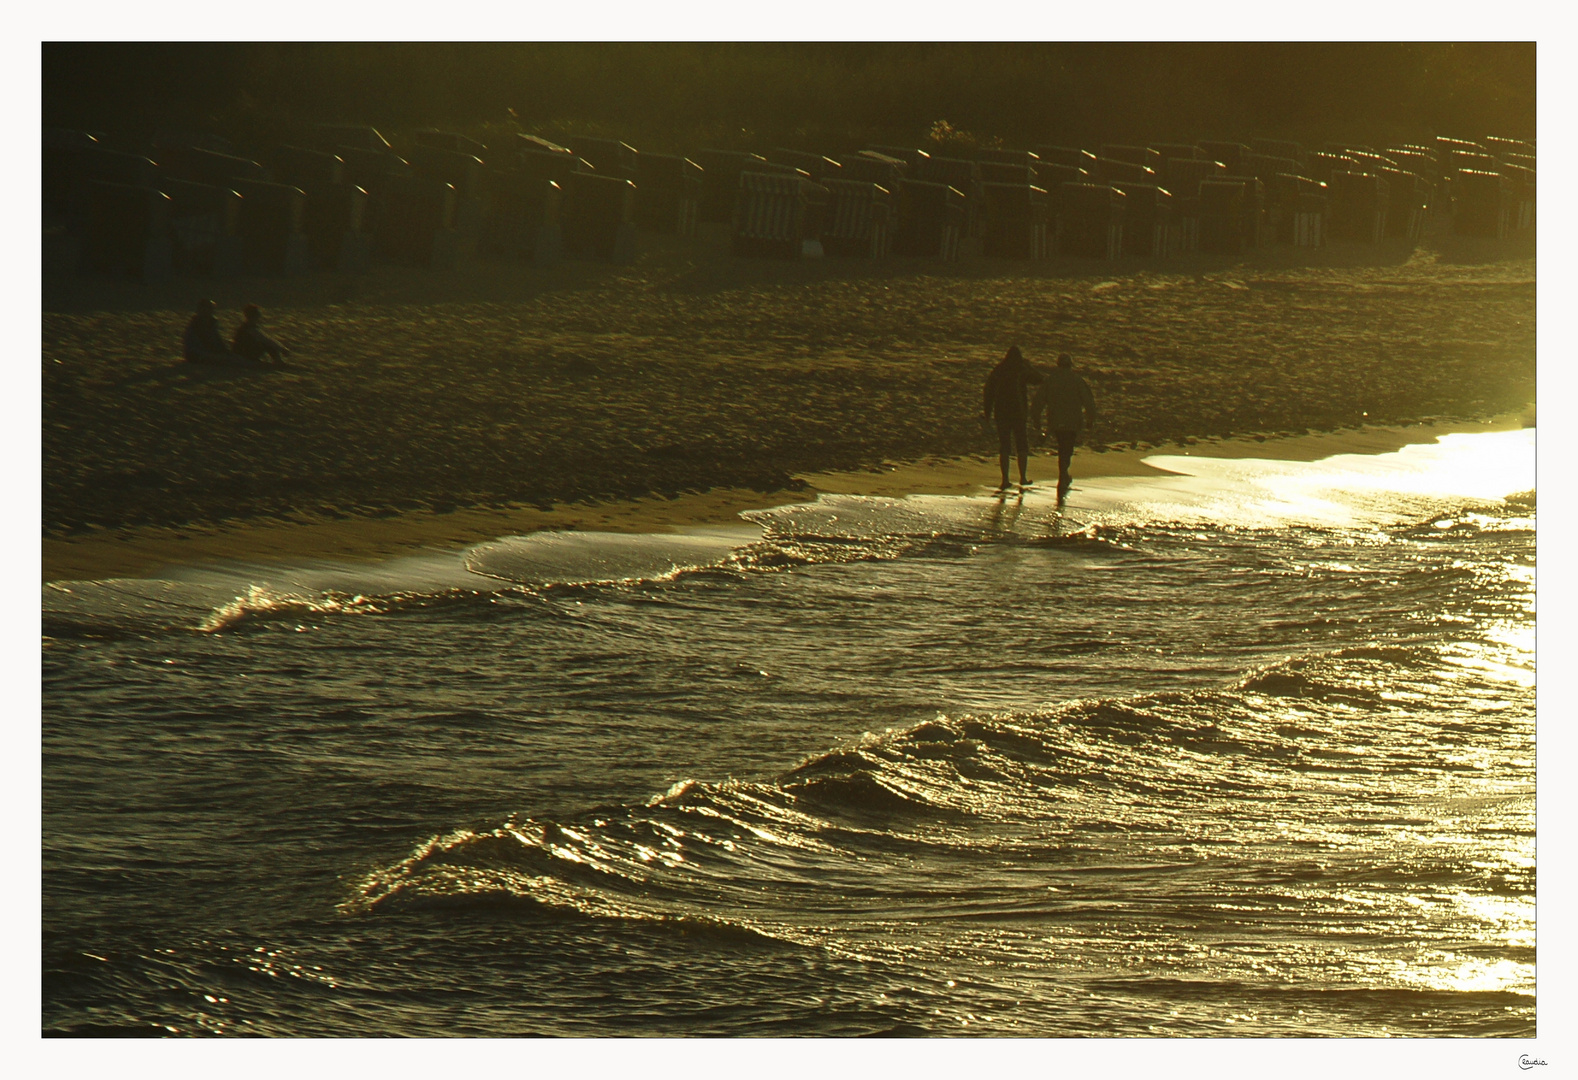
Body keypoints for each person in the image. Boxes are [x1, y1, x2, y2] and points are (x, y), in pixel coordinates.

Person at [1031, 352, 1098, 498]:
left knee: (1063, 447)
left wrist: (1036, 419)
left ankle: (1064, 474)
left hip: (1055, 421)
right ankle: (1063, 475)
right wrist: (1090, 419)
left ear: (1058, 364)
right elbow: (1088, 402)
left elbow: (1038, 401)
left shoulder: (1051, 380)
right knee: (1067, 449)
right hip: (1073, 422)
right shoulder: (1077, 380)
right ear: (1070, 365)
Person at [982, 345, 1043, 490]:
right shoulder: (1021, 369)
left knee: (1004, 446)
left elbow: (988, 391)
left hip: (1001, 413)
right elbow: (1038, 379)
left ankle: (1005, 480)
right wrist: (1029, 365)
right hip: (1018, 413)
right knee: (1022, 444)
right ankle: (1022, 477)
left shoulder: (999, 370)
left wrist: (987, 413)